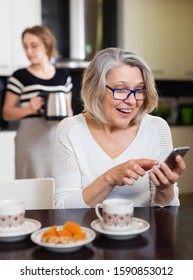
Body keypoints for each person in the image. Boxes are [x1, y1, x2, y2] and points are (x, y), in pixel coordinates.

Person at [53, 47, 186, 209]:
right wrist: (109, 178)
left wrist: (165, 189)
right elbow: (62, 207)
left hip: (143, 230)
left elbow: (168, 213)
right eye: (121, 89)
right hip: (88, 231)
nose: (132, 101)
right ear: (96, 89)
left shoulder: (156, 128)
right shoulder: (70, 130)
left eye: (139, 90)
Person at [3, 25, 73, 179]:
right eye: (25, 47)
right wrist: (29, 108)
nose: (28, 51)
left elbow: (69, 111)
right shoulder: (19, 76)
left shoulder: (63, 76)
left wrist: (68, 115)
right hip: (30, 143)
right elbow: (7, 113)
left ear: (46, 44)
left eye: (34, 46)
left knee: (58, 185)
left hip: (57, 141)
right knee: (31, 188)